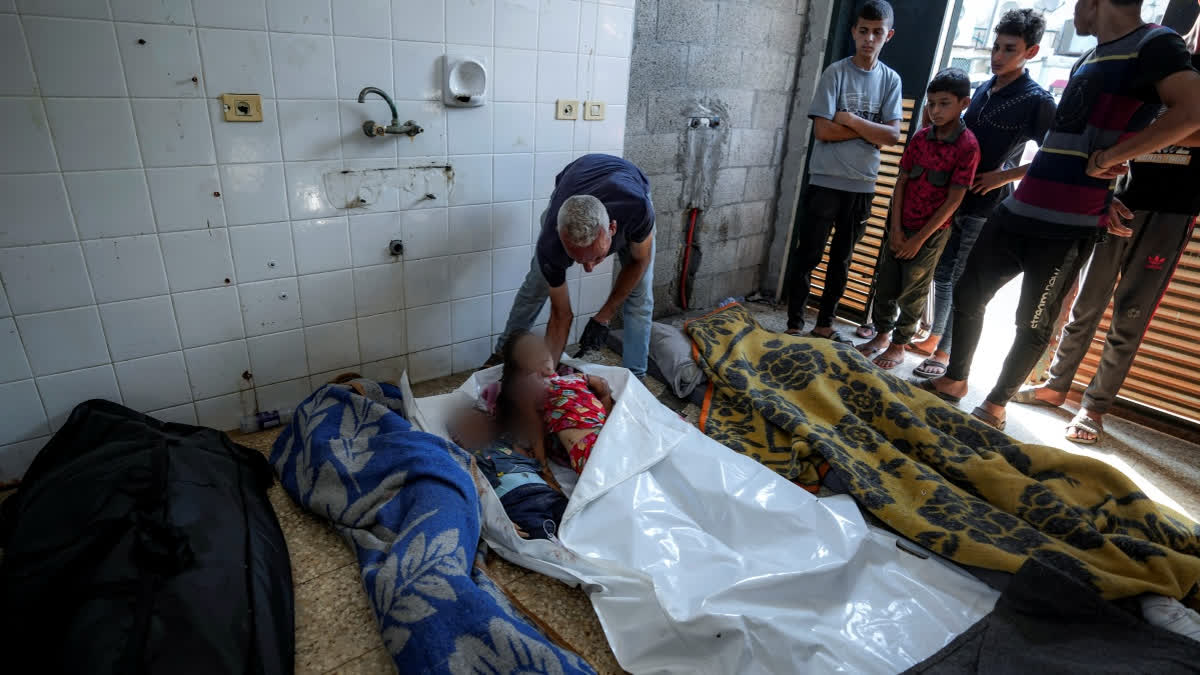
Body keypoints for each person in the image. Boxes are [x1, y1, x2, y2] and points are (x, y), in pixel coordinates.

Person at [921, 0, 1200, 432]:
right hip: (1020, 206)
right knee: (968, 292)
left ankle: (995, 406)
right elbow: (1066, 138)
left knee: (1033, 321)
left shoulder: (1155, 43)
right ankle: (955, 380)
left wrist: (1115, 156)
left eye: (1077, 3)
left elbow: (1192, 114)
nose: (1072, 13)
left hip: (1069, 224)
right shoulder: (1092, 55)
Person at [1014, 11, 1200, 444]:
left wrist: (1175, 123)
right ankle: (1056, 385)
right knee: (1086, 301)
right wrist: (1108, 190)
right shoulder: (1160, 48)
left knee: (1130, 315)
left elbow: (1190, 123)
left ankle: (1094, 409)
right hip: (1119, 198)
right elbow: (1114, 124)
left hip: (1172, 213)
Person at [910, 9, 1058, 378]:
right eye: (995, 47)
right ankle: (936, 336)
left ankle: (945, 354)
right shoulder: (982, 90)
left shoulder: (1037, 99)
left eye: (1009, 49)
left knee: (964, 279)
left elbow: (1054, 156)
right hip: (955, 195)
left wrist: (1003, 176)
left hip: (988, 201)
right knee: (943, 273)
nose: (997, 56)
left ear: (1032, 51)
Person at [785, 0, 903, 342]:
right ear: (853, 31)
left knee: (842, 260)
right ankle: (794, 323)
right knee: (809, 254)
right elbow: (822, 131)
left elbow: (893, 136)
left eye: (877, 32)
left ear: (888, 35)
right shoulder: (835, 73)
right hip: (825, 181)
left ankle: (825, 324)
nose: (869, 38)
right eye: (863, 30)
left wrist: (849, 119)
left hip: (863, 185)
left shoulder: (891, 80)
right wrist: (873, 130)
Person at [488, 154, 655, 377]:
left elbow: (639, 261)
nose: (588, 269)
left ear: (613, 229)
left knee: (639, 298)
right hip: (574, 186)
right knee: (537, 284)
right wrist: (549, 376)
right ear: (561, 236)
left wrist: (603, 316)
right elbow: (561, 316)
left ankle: (636, 377)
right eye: (578, 260)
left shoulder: (637, 210)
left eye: (596, 257)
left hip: (627, 187)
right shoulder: (552, 242)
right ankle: (502, 355)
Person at [857, 68, 979, 369]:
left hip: (930, 234)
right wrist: (896, 230)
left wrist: (918, 239)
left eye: (944, 104)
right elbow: (901, 182)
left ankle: (899, 345)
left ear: (964, 103)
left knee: (913, 290)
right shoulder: (921, 139)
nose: (935, 111)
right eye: (932, 103)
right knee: (886, 282)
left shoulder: (968, 146)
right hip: (900, 225)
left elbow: (954, 199)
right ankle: (881, 335)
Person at [498, 330, 614, 475]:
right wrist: (543, 467)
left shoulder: (574, 377)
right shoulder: (530, 390)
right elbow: (535, 431)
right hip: (586, 446)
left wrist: (609, 421)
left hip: (609, 434)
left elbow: (602, 385)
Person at [447, 405, 568, 540]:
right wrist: (499, 519)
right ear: (456, 438)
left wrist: (558, 491)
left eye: (479, 422)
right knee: (540, 535)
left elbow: (537, 469)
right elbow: (475, 492)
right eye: (467, 426)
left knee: (575, 521)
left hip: (547, 493)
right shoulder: (466, 458)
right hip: (516, 502)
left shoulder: (508, 443)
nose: (476, 428)